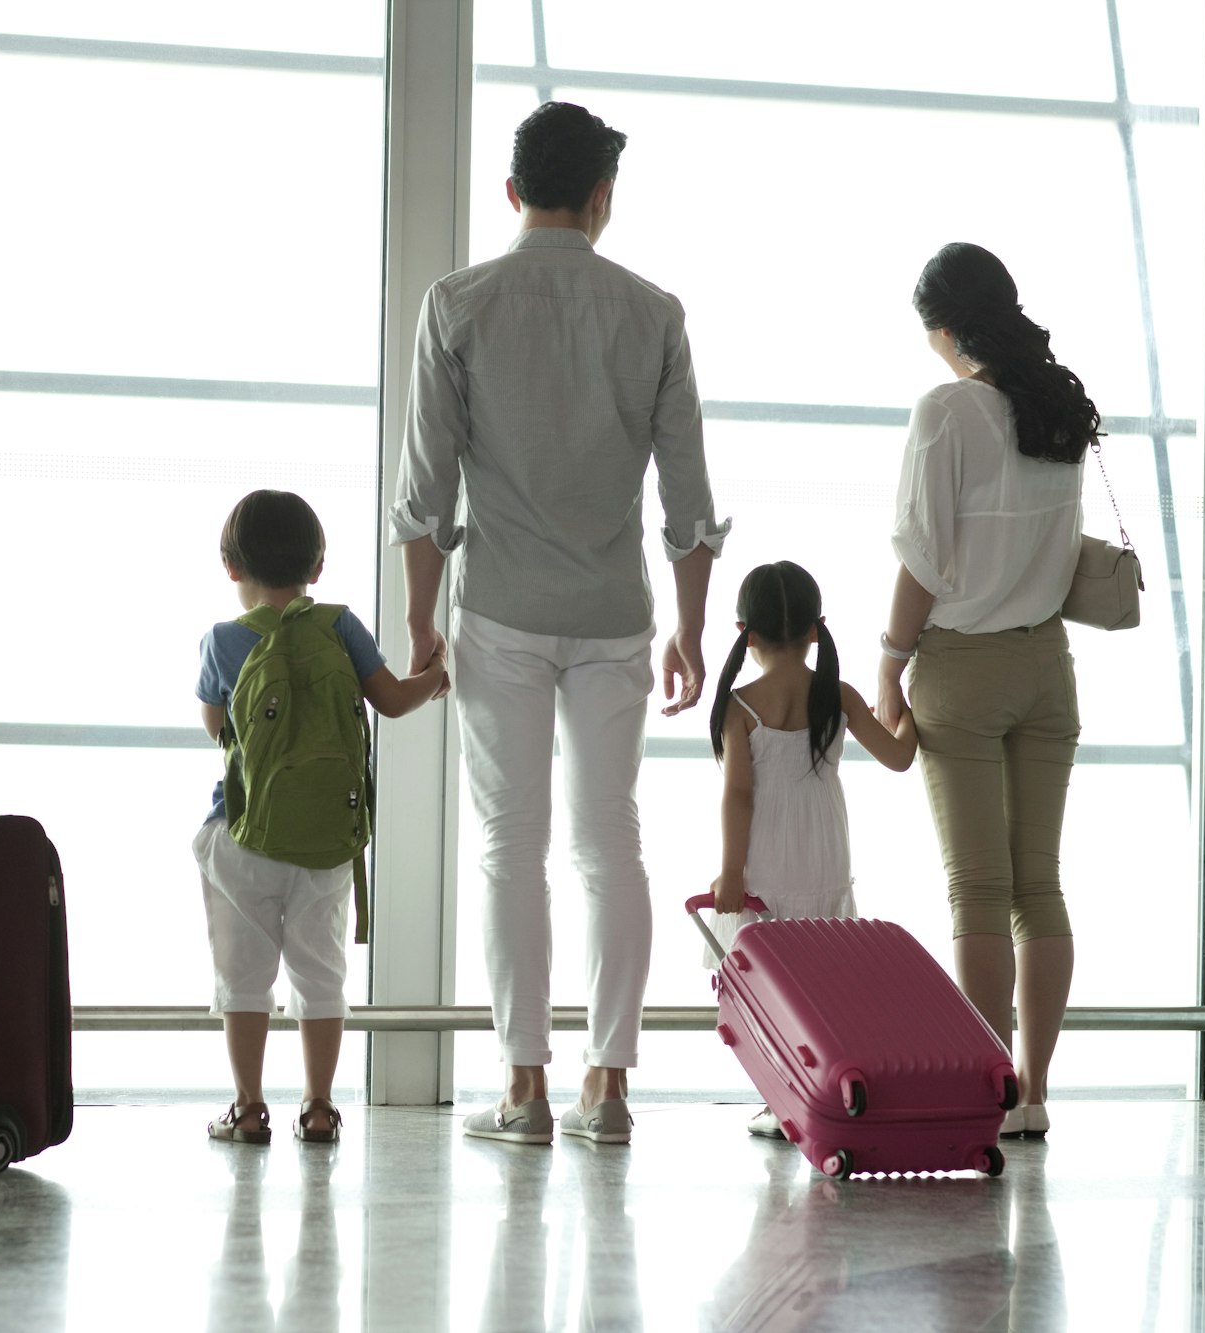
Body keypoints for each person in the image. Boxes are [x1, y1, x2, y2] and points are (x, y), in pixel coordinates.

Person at [390, 101, 728, 1147]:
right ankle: (608, 1087)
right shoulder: (653, 312)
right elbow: (686, 501)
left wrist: (417, 619)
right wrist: (688, 628)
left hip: (496, 609)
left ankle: (524, 1089)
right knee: (609, 841)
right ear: (599, 198)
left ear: (509, 194)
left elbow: (423, 492)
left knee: (509, 846)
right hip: (614, 614)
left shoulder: (457, 303)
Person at [875, 242, 1098, 1139]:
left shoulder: (948, 412)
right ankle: (1034, 1092)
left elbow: (921, 560)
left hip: (961, 668)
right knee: (1036, 886)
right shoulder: (1058, 406)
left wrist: (890, 659)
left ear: (941, 326)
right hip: (1046, 664)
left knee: (977, 887)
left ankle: (986, 1085)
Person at [195, 489, 449, 1145]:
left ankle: (248, 1108)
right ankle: (318, 1106)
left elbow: (217, 728)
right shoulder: (339, 625)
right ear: (317, 566)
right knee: (320, 972)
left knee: (245, 975)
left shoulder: (222, 640)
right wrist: (437, 676)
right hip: (328, 843)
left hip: (244, 835)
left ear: (231, 567)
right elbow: (391, 700)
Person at [703, 560, 916, 1137]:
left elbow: (739, 796)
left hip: (767, 860)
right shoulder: (837, 694)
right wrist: (909, 709)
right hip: (824, 854)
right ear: (816, 631)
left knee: (771, 985)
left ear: (745, 632)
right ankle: (823, 1088)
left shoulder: (741, 706)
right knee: (825, 981)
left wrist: (728, 871)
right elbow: (898, 757)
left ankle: (782, 1098)